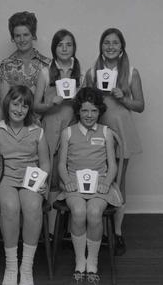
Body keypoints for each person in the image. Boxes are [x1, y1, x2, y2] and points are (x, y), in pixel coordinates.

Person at [0, 85, 50, 285]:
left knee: (33, 206)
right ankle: (11, 266)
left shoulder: (37, 131)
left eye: (25, 106)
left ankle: (26, 267)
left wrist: (43, 181)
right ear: (7, 104)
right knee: (11, 206)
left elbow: (45, 162)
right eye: (16, 104)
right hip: (3, 180)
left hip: (30, 179)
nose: (19, 109)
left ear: (29, 110)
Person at [84, 28, 144, 255]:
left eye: (115, 43)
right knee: (98, 176)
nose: (110, 46)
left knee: (118, 181)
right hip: (98, 131)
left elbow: (140, 105)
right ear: (101, 46)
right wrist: (94, 94)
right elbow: (85, 104)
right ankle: (97, 230)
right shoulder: (92, 72)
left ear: (122, 47)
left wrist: (124, 98)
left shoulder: (131, 73)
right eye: (106, 43)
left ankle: (117, 233)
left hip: (122, 130)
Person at [57, 87, 123, 284]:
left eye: (94, 111)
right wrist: (67, 181)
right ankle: (80, 260)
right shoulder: (67, 132)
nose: (89, 115)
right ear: (78, 110)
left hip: (100, 186)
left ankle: (92, 261)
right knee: (78, 211)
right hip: (74, 185)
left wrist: (105, 182)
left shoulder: (106, 133)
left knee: (94, 212)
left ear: (99, 111)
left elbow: (112, 166)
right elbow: (61, 164)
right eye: (85, 110)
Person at [34, 29, 82, 233]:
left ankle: (73, 230)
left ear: (74, 48)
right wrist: (52, 103)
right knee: (52, 177)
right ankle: (52, 231)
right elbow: (36, 107)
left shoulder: (81, 73)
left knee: (72, 174)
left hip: (72, 128)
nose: (64, 48)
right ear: (54, 48)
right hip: (51, 128)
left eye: (68, 44)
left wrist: (76, 100)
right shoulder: (45, 72)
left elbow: (88, 107)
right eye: (60, 44)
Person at [0, 11, 50, 102]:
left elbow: (50, 99)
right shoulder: (6, 66)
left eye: (26, 35)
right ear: (13, 38)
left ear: (33, 36)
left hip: (44, 116)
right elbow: (5, 104)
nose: (22, 40)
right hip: (13, 116)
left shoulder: (47, 64)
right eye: (18, 36)